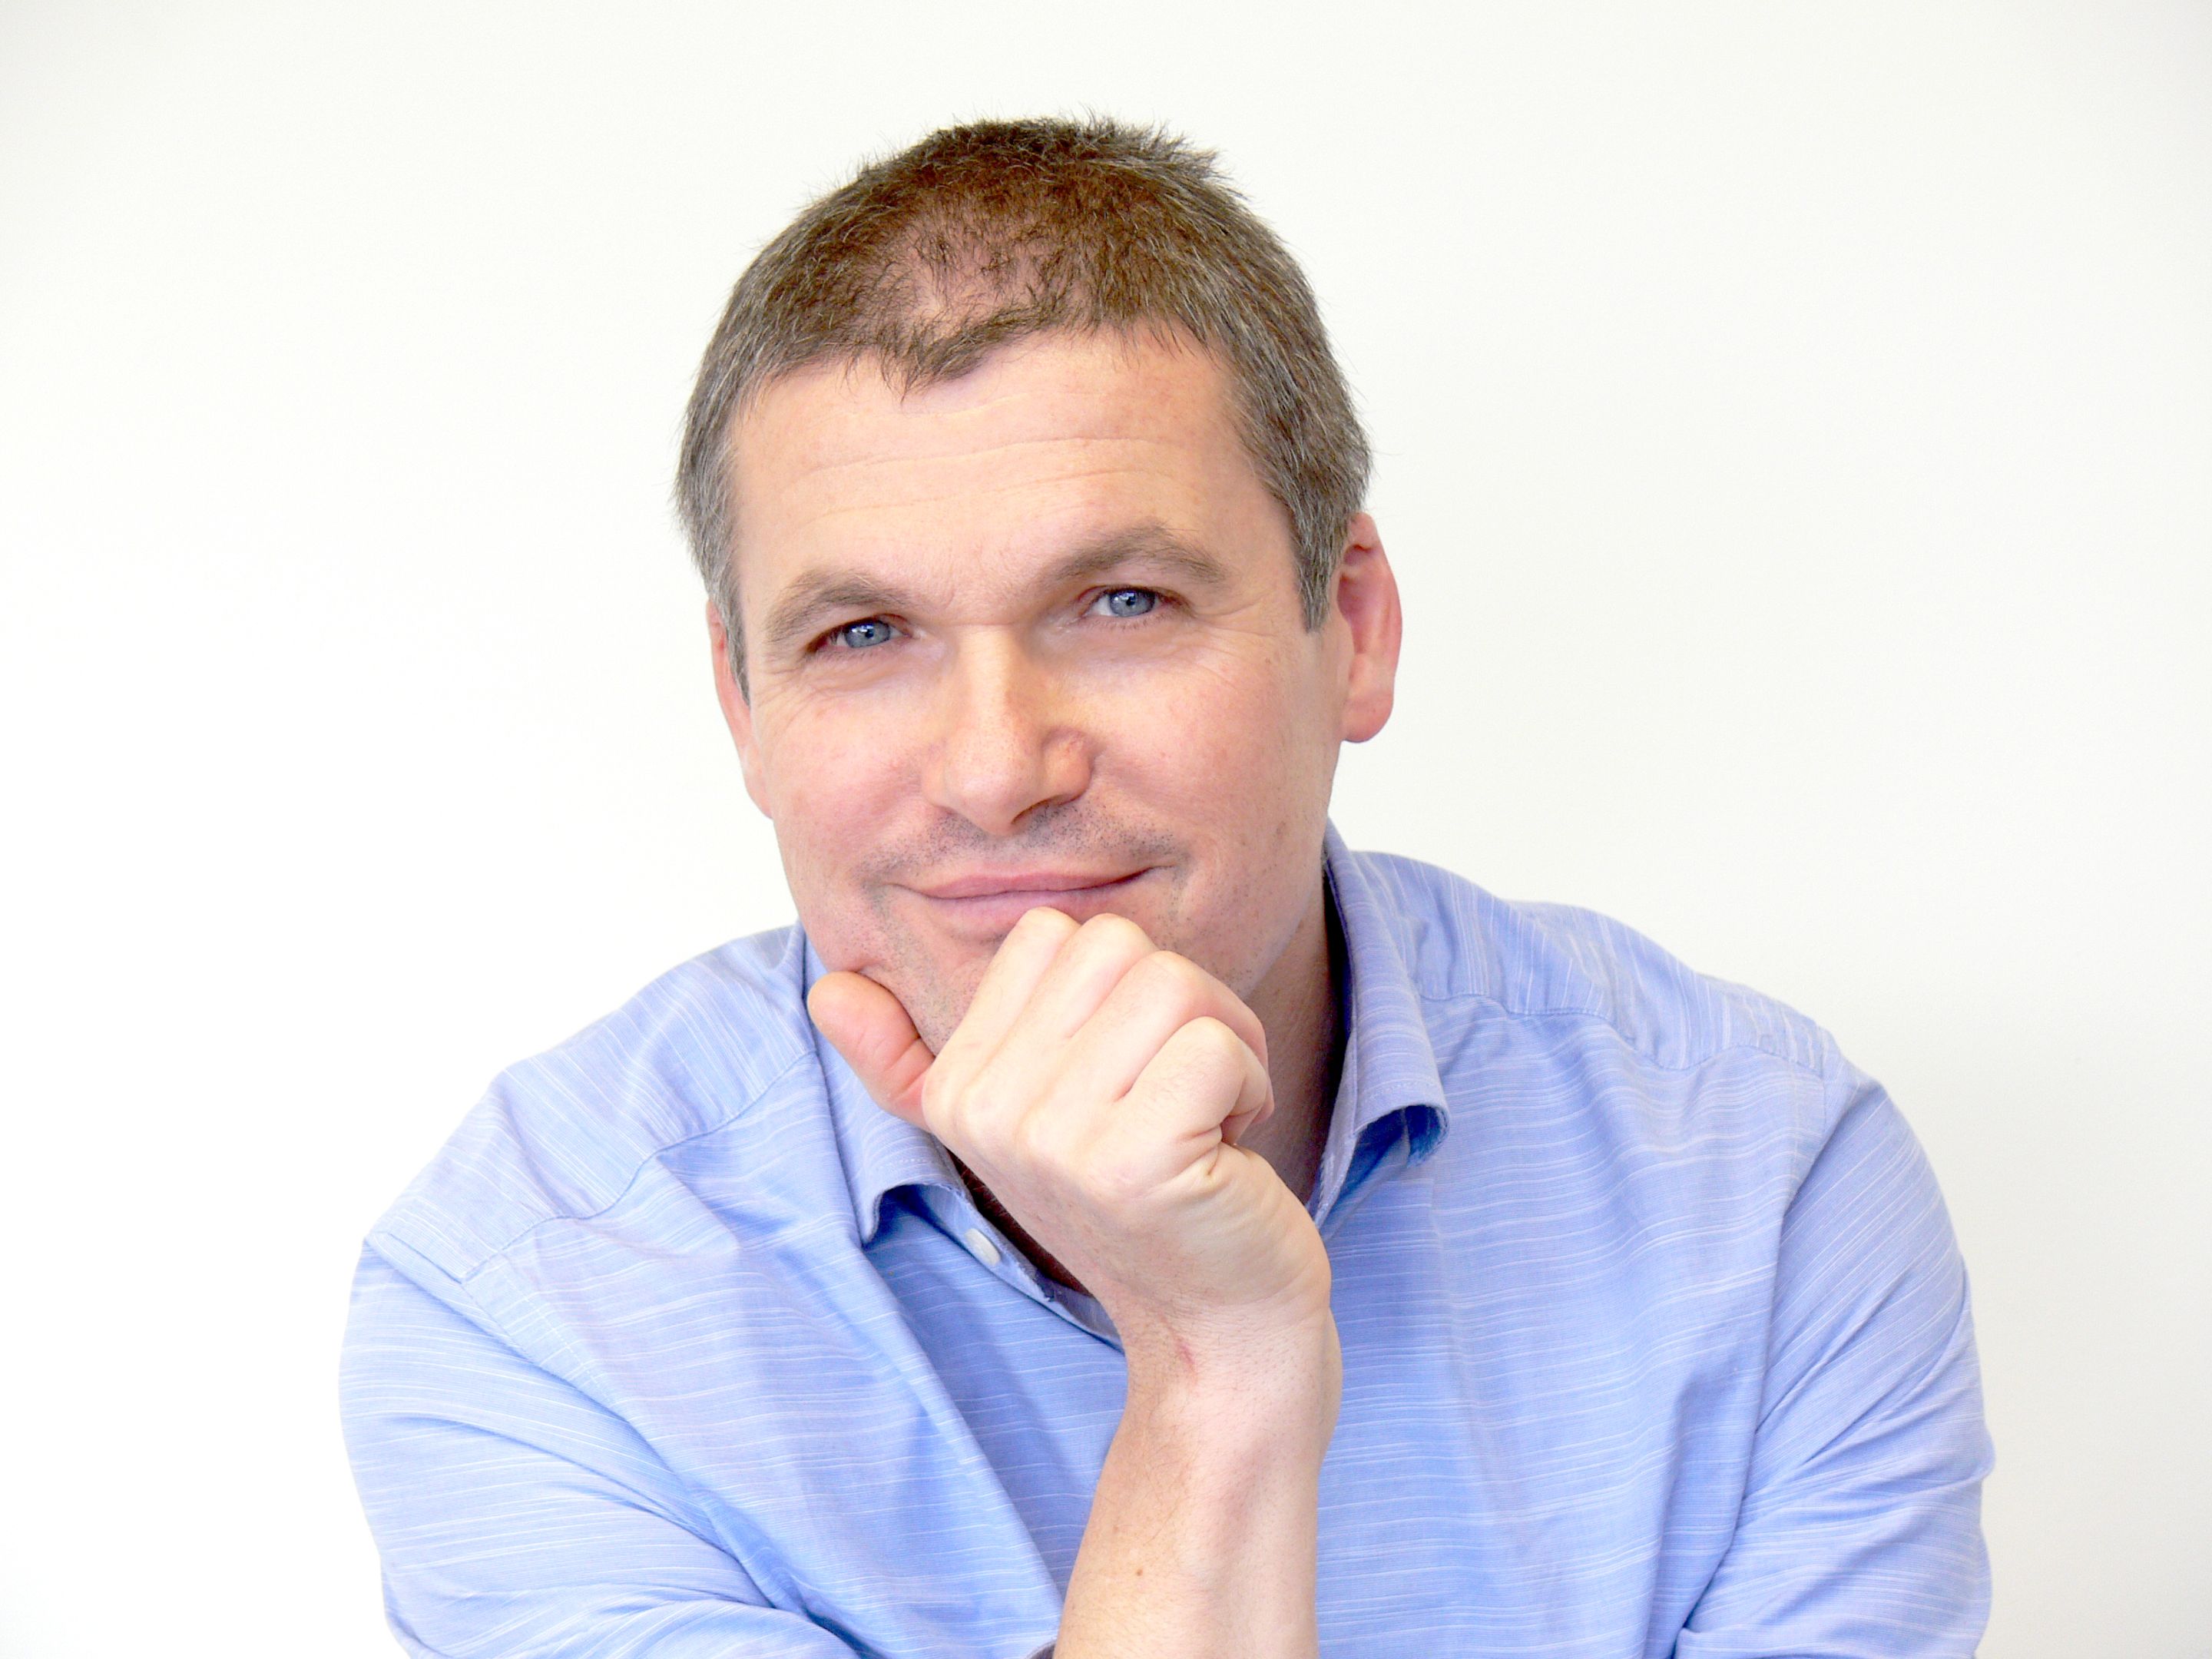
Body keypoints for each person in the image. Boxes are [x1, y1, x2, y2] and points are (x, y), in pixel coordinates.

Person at [340, 117, 1992, 1659]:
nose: (997, 767)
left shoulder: (1767, 1193)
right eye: (863, 636)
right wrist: (1214, 1368)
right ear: (742, 709)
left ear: (1350, 625)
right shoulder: (535, 1308)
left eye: (1119, 602)